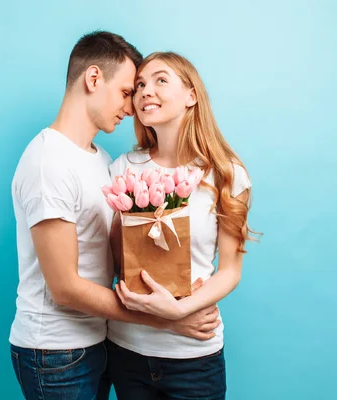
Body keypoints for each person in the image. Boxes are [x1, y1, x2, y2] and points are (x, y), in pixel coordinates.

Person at [9, 33, 220, 400]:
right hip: (56, 352)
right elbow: (65, 288)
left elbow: (123, 254)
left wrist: (184, 289)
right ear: (93, 79)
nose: (133, 104)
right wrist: (170, 318)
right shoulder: (49, 162)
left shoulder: (101, 160)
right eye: (127, 91)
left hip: (98, 343)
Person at [107, 52, 257, 399]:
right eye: (140, 84)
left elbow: (231, 270)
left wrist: (180, 310)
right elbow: (117, 264)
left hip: (193, 356)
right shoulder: (122, 169)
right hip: (127, 350)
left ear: (191, 95)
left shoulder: (226, 174)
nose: (146, 91)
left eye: (161, 80)